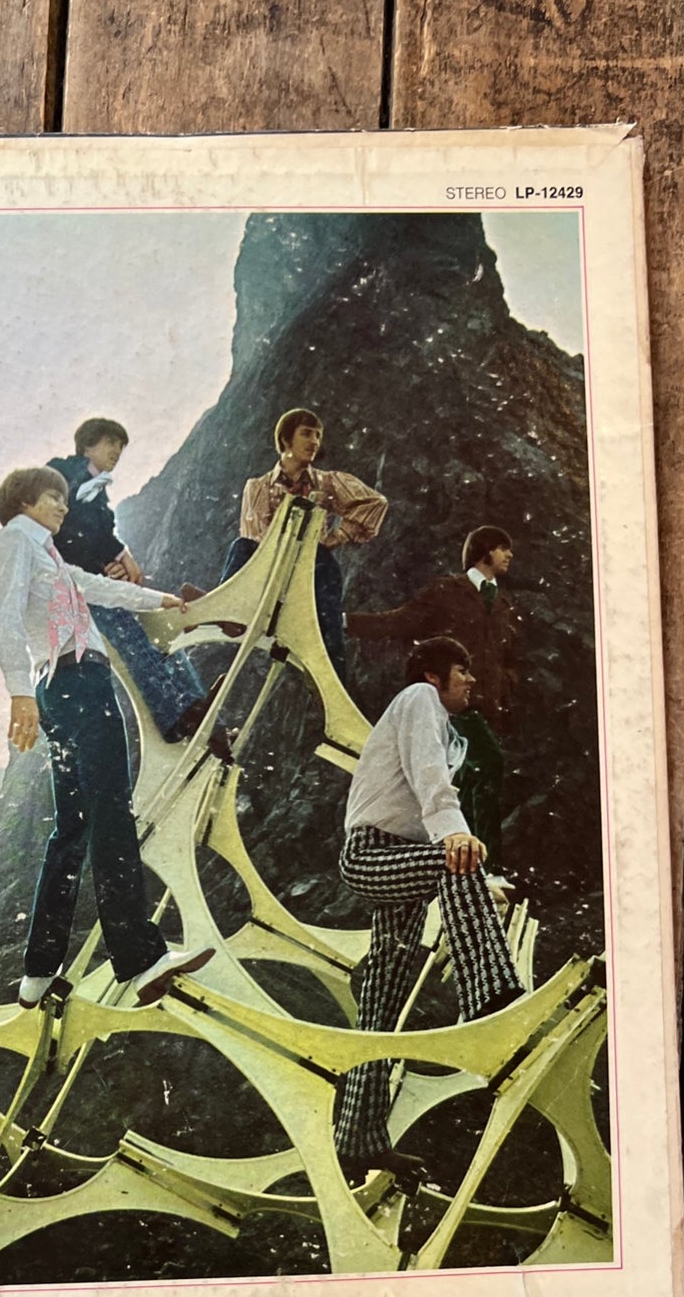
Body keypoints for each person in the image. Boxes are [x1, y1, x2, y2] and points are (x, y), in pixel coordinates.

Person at [0, 465, 215, 1008]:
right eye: (53, 496)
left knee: (73, 828)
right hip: (75, 682)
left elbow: (95, 587)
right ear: (24, 501)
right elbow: (6, 616)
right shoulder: (16, 540)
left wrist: (157, 599)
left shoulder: (48, 554)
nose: (63, 506)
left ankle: (38, 971)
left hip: (64, 686)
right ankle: (138, 959)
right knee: (111, 812)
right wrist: (18, 693)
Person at [333, 634, 525, 1188]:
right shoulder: (419, 699)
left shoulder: (449, 731)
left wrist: (473, 868)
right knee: (454, 864)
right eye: (462, 670)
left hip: (403, 861)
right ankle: (488, 997)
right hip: (372, 853)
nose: (471, 680)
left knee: (383, 1003)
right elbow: (428, 777)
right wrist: (455, 839)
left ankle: (358, 1141)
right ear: (434, 676)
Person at [347, 527, 518, 867]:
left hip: (485, 709)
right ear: (483, 551)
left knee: (470, 780)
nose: (509, 555)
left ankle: (467, 860)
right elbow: (401, 621)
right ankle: (484, 865)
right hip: (446, 704)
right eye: (502, 547)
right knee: (484, 767)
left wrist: (504, 690)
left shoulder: (504, 604)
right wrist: (342, 622)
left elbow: (511, 658)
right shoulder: (447, 591)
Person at [48, 418, 218, 746]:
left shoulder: (94, 486)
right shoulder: (66, 473)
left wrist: (112, 561)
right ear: (88, 445)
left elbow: (93, 533)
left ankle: (198, 710)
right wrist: (118, 556)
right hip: (74, 589)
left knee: (158, 635)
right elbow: (74, 530)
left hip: (91, 580)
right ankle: (174, 716)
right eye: (110, 442)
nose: (117, 451)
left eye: (120, 446)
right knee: (132, 636)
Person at [216, 408, 387, 680]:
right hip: (269, 568)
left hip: (311, 568)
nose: (314, 442)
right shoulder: (258, 487)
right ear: (286, 440)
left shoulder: (326, 482)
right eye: (306, 434)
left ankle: (332, 681)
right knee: (242, 546)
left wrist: (337, 536)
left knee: (328, 612)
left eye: (318, 435)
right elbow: (255, 535)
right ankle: (225, 608)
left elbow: (375, 502)